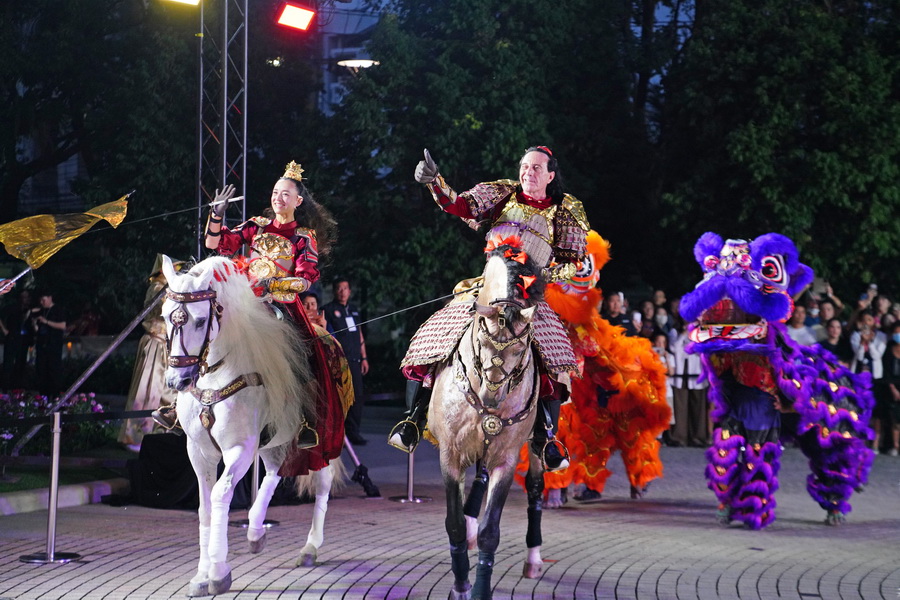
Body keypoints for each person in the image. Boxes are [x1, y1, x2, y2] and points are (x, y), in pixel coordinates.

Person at [390, 146, 589, 472]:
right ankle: (413, 418)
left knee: (553, 353)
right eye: (525, 166)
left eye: (537, 168)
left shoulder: (565, 210)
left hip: (530, 296)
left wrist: (540, 278)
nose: (528, 172)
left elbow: (574, 262)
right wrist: (434, 182)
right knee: (432, 336)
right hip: (488, 288)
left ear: (551, 175)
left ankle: (547, 436)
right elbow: (458, 205)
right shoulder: (501, 194)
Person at [153, 162, 349, 473]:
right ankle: (178, 406)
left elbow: (306, 278)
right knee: (203, 336)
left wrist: (276, 285)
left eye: (285, 194)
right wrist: (216, 215)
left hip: (280, 306)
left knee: (305, 354)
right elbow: (215, 245)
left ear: (298, 201)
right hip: (244, 303)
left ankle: (304, 421)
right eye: (275, 193)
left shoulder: (303, 237)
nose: (278, 198)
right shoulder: (256, 225)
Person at [120, 256, 182, 450]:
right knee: (148, 388)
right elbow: (163, 310)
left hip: (167, 346)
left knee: (167, 390)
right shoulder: (157, 288)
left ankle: (162, 432)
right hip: (155, 344)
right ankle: (137, 435)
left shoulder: (167, 288)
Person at [322, 278, 369, 445]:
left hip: (355, 360)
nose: (342, 291)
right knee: (340, 398)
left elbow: (360, 334)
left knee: (357, 396)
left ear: (349, 291)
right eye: (339, 289)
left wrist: (364, 357)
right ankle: (337, 435)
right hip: (339, 361)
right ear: (335, 291)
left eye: (345, 288)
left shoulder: (354, 310)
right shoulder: (328, 310)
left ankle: (353, 432)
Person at [670, 325, 709, 446]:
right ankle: (679, 437)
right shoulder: (674, 331)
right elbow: (674, 348)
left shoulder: (703, 331)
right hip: (680, 374)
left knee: (698, 408)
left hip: (697, 374)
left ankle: (698, 437)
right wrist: (683, 333)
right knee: (680, 407)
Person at [31, 292, 66, 397]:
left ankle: (55, 395)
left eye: (44, 300)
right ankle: (43, 396)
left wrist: (46, 322)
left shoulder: (58, 310)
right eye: (40, 300)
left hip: (53, 345)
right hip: (42, 345)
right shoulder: (42, 311)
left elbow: (62, 325)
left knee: (53, 371)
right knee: (41, 371)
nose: (42, 302)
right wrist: (34, 323)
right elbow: (37, 329)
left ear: (50, 298)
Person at [875, 322, 900, 455]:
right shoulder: (888, 349)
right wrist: (892, 387)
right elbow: (885, 370)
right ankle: (890, 445)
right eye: (896, 332)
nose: (898, 335)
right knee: (888, 416)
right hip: (888, 386)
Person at [0, 289, 33, 389]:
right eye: (23, 297)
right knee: (8, 364)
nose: (25, 299)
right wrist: (4, 330)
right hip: (12, 338)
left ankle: (17, 388)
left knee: (21, 363)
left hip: (24, 340)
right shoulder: (12, 308)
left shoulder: (30, 309)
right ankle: (5, 388)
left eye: (27, 297)